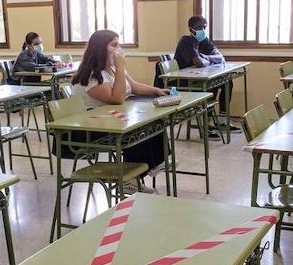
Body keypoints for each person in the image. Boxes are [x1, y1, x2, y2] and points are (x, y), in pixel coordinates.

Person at [69, 29, 169, 178]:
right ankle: (132, 180)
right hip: (93, 127)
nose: (119, 50)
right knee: (135, 128)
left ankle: (156, 163)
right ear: (100, 48)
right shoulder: (91, 75)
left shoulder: (114, 68)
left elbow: (133, 86)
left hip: (111, 118)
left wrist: (157, 91)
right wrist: (121, 67)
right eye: (114, 45)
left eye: (119, 45)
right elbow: (117, 99)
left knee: (154, 120)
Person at [173, 15, 236, 135]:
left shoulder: (204, 41)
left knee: (227, 81)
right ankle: (206, 124)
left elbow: (221, 58)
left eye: (204, 27)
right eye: (198, 27)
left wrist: (205, 57)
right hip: (185, 83)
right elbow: (199, 63)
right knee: (211, 85)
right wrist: (206, 59)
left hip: (199, 79)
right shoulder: (187, 41)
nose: (202, 30)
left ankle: (222, 120)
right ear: (191, 29)